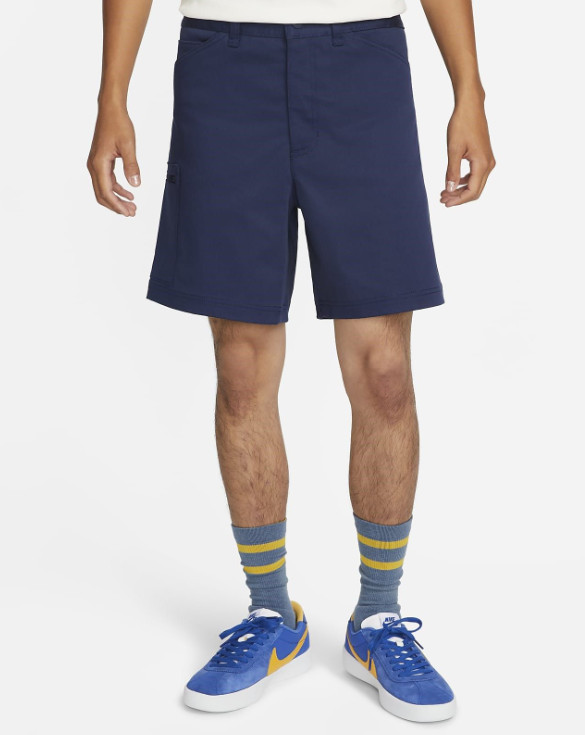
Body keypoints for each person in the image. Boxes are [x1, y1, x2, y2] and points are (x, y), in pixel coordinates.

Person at [88, 0, 495, 722]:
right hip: (224, 64)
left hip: (363, 62)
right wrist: (110, 96)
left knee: (383, 370)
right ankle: (272, 614)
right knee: (242, 366)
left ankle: (377, 618)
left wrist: (470, 90)